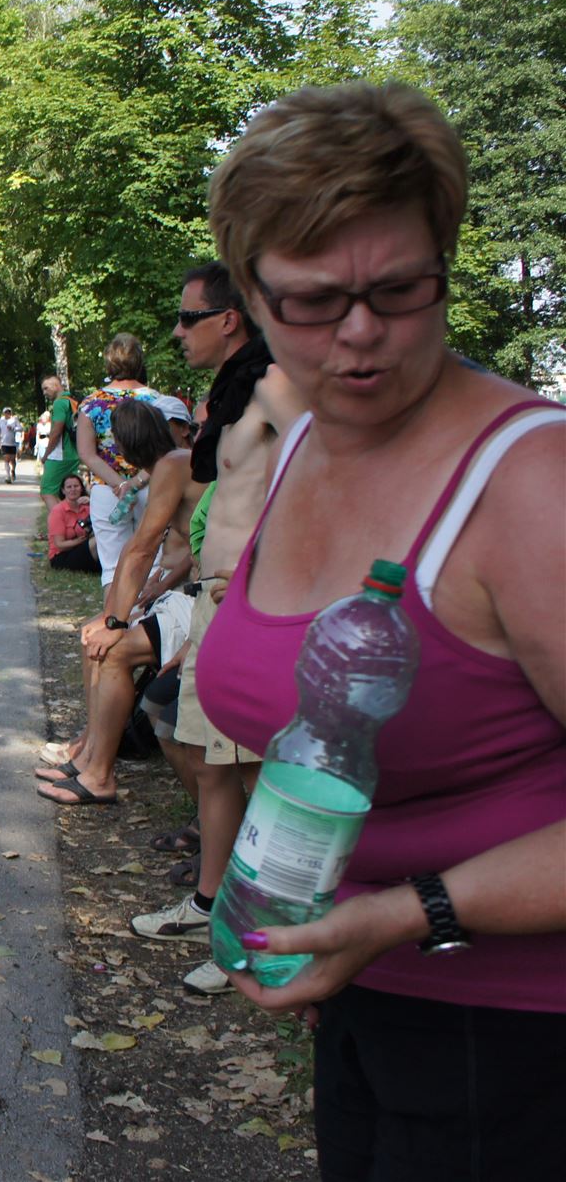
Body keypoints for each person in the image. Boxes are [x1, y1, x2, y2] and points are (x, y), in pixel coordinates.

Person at [196, 82, 565, 1177]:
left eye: (399, 290)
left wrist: (411, 910)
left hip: (519, 1031)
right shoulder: (308, 437)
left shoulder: (531, 483)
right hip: (365, 995)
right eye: (315, 301)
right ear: (252, 298)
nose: (360, 335)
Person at [120, 259, 302, 996]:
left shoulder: (277, 384)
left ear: (229, 319)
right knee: (212, 760)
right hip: (216, 601)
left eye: (188, 317)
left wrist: (263, 576)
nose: (177, 331)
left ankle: (266, 935)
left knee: (259, 772)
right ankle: (208, 905)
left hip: (254, 605)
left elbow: (315, 483)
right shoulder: (233, 393)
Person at [36, 401, 189, 807]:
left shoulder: (174, 465)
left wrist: (117, 623)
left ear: (125, 443)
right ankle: (88, 750)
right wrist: (109, 616)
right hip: (177, 595)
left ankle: (100, 774)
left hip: (195, 599)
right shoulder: (163, 468)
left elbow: (143, 549)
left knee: (112, 649)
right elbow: (134, 551)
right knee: (93, 636)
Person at [73, 336, 161, 586]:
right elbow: (165, 450)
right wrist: (137, 480)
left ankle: (114, 611)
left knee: (112, 567)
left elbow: (87, 453)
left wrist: (120, 484)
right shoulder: (157, 401)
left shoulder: (91, 404)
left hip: (108, 491)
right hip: (152, 486)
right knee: (153, 562)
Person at [39, 377, 78, 512]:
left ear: (56, 385)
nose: (44, 393)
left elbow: (56, 431)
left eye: (46, 388)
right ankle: (69, 521)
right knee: (64, 494)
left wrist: (46, 455)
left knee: (47, 491)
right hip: (74, 453)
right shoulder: (71, 400)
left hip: (60, 455)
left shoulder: (59, 403)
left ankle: (60, 523)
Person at [46, 473, 96, 573]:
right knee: (98, 541)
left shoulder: (88, 507)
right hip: (61, 556)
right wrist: (80, 541)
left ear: (81, 489)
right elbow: (59, 545)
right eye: (69, 487)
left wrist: (92, 502)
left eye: (76, 486)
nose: (73, 489)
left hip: (83, 549)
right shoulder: (58, 511)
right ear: (63, 491)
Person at [0, 409, 22, 483]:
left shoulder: (14, 420)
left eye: (9, 412)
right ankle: (8, 476)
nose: (7, 414)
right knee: (6, 459)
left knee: (13, 459)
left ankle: (13, 470)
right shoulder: (1, 420)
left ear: (11, 413)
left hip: (12, 443)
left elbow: (20, 428)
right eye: (6, 412)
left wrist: (13, 428)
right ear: (4, 413)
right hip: (4, 443)